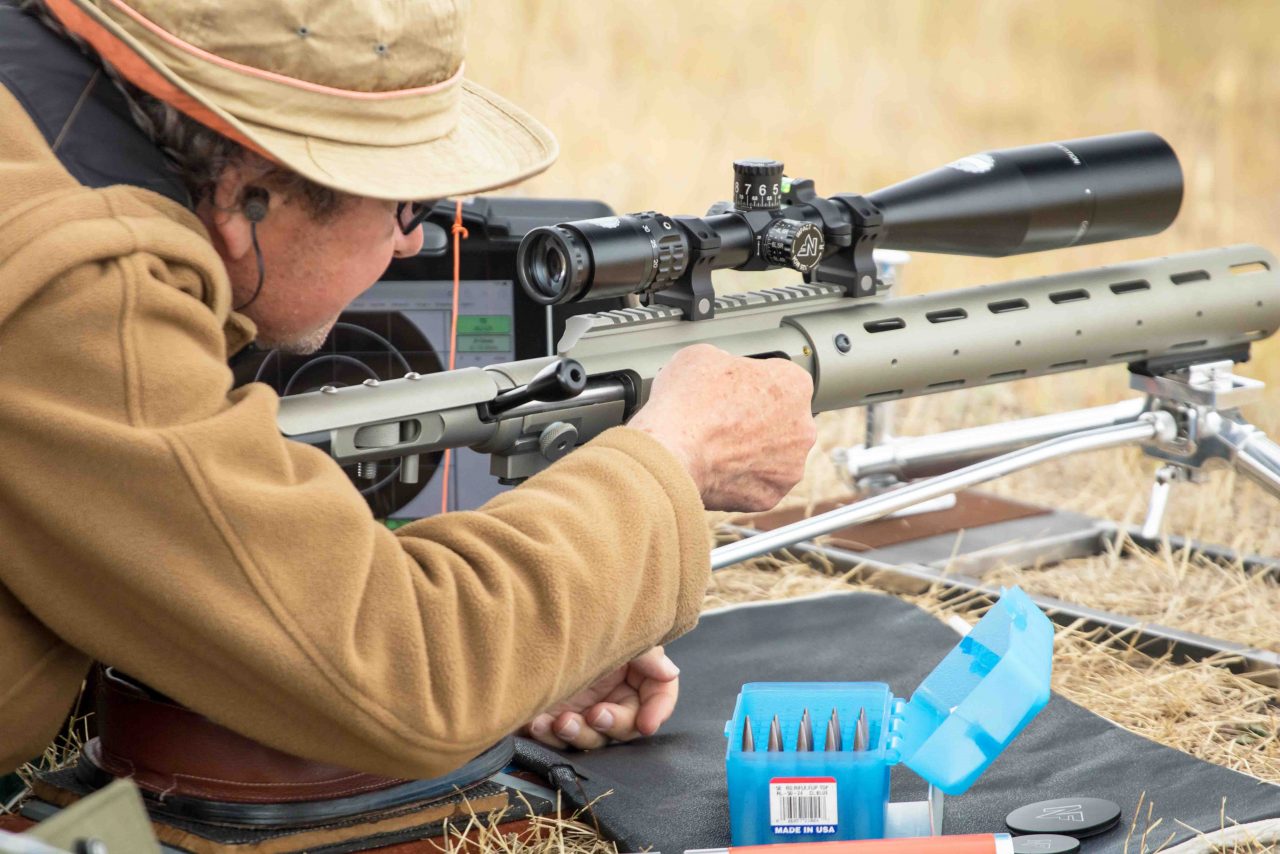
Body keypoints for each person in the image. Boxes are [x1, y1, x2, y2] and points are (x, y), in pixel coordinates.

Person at [0, 0, 816, 779]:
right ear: (257, 187)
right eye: (407, 200)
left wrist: (553, 635)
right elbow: (410, 671)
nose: (418, 237)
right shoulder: (87, 294)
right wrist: (674, 456)